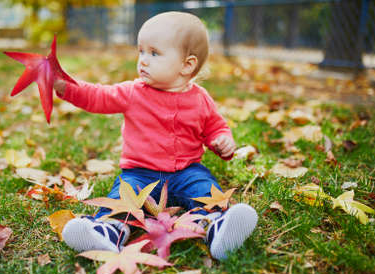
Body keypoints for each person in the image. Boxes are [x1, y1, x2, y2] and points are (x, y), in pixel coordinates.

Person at [54, 11, 258, 260]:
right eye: (140, 51)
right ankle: (106, 232)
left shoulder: (201, 99)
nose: (143, 60)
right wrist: (66, 87)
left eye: (154, 53)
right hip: (139, 173)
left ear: (187, 65)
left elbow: (215, 127)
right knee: (123, 198)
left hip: (187, 171)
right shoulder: (132, 92)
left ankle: (218, 228)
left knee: (206, 190)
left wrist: (223, 142)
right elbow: (98, 96)